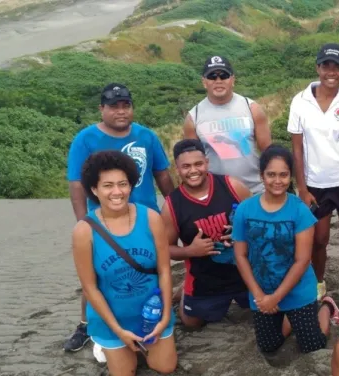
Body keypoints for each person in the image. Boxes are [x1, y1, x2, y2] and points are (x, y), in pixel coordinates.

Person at [64, 83, 176, 352]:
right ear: (102, 109)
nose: (121, 111)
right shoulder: (85, 139)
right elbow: (77, 184)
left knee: (147, 270)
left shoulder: (147, 136)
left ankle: (151, 318)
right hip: (103, 223)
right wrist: (84, 222)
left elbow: (162, 175)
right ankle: (86, 325)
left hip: (143, 219)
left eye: (126, 105)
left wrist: (175, 208)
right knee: (97, 277)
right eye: (114, 106)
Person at [232, 144, 339, 354]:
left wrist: (275, 298)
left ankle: (326, 307)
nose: (277, 180)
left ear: (290, 176)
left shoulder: (299, 211)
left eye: (283, 175)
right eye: (271, 174)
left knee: (312, 345)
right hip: (261, 291)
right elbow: (240, 255)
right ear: (261, 175)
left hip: (296, 290)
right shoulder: (245, 210)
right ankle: (289, 318)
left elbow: (302, 260)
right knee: (269, 346)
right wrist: (260, 296)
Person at [71, 150, 176, 374]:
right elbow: (89, 288)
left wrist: (165, 316)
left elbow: (165, 271)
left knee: (165, 367)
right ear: (94, 189)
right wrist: (119, 330)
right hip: (113, 319)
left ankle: (147, 340)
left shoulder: (151, 218)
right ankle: (104, 342)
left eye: (123, 184)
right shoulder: (84, 231)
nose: (117, 192)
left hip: (151, 312)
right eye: (108, 185)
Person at [287, 43, 339, 302]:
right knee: (320, 238)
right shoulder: (300, 102)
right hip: (314, 184)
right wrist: (302, 188)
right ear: (318, 67)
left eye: (337, 67)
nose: (331, 72)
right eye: (326, 66)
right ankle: (319, 283)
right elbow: (297, 150)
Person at [161, 139, 253, 328]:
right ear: (177, 169)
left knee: (264, 309)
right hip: (206, 279)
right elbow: (164, 249)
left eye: (198, 164)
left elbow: (260, 223)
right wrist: (190, 251)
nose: (193, 170)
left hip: (244, 271)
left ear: (207, 163)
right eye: (186, 166)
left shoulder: (232, 186)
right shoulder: (172, 206)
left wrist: (242, 234)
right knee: (192, 323)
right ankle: (186, 291)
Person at [183, 55, 272, 195]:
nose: (218, 81)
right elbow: (192, 162)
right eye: (212, 76)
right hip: (217, 195)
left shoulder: (252, 108)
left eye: (223, 75)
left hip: (255, 191)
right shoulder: (193, 117)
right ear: (204, 82)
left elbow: (269, 153)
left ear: (232, 80)